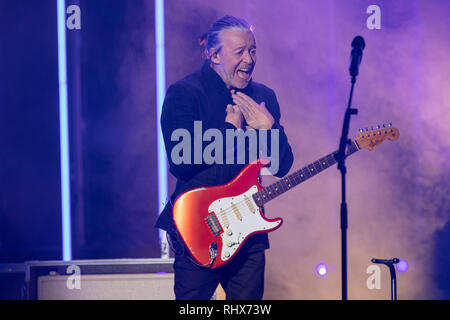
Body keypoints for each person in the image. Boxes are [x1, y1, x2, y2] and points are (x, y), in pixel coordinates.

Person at [155, 15, 294, 300]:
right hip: (198, 226)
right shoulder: (184, 93)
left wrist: (270, 129)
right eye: (240, 51)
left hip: (248, 231)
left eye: (253, 50)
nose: (249, 58)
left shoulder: (263, 96)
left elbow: (281, 166)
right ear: (214, 54)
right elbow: (180, 162)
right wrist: (230, 130)